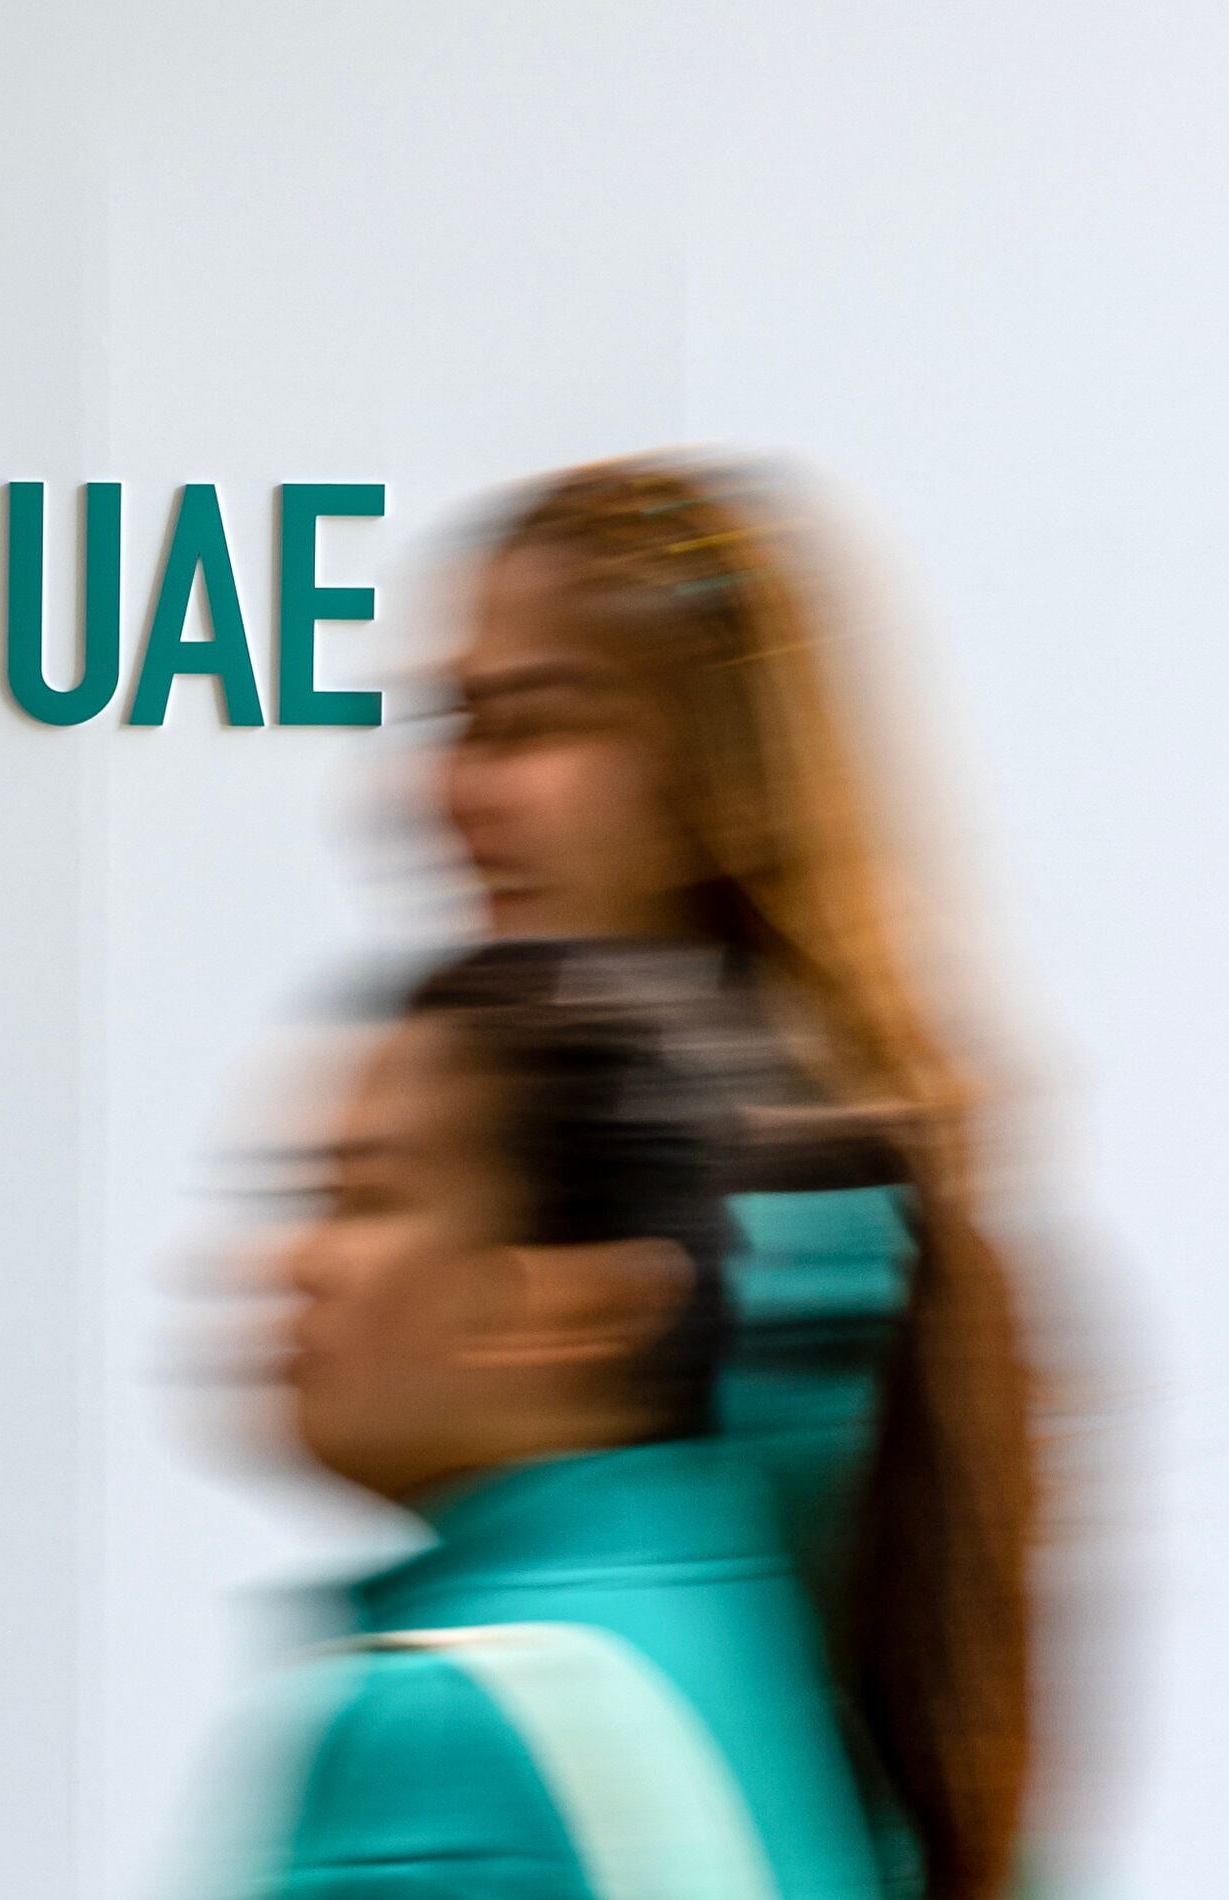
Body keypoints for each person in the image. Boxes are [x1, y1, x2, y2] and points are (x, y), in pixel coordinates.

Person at [433, 457, 1037, 1900]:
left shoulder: (794, 1201)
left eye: (537, 722)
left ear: (711, 762)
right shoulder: (823, 1141)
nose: (458, 793)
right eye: (457, 721)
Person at [251, 948, 884, 1897]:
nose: (295, 1264)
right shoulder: (762, 1626)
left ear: (587, 1305)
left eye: (368, 1199)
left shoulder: (445, 1714)